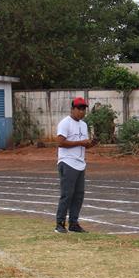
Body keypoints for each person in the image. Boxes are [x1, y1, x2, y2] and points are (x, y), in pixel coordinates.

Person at [55, 97, 96, 233]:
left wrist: (91, 144)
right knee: (67, 194)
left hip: (80, 163)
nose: (82, 111)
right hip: (67, 162)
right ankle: (60, 223)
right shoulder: (65, 123)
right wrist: (81, 143)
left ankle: (73, 223)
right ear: (72, 109)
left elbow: (84, 145)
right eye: (79, 108)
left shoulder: (83, 125)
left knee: (79, 195)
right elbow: (60, 142)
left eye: (84, 109)